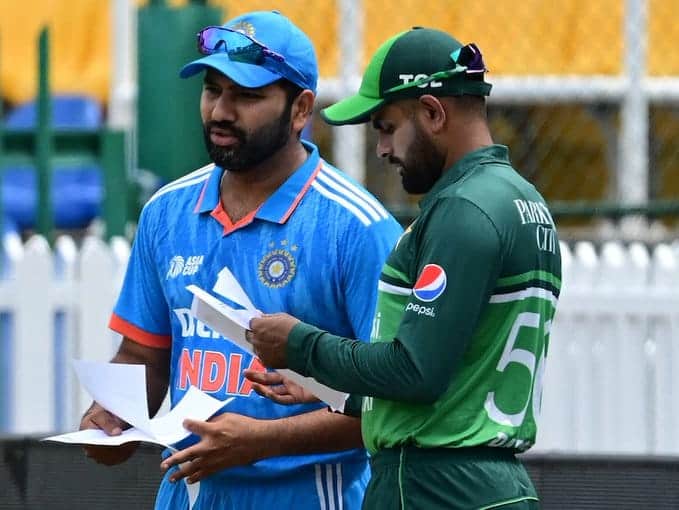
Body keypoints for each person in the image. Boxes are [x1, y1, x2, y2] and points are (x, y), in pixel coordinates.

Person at [79, 10, 402, 510]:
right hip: (189, 496)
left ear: (301, 110)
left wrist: (265, 440)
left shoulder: (357, 228)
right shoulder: (167, 212)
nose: (220, 112)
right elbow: (144, 356)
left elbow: (392, 402)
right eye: (212, 90)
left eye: (247, 96)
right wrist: (112, 417)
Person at [248, 27, 562, 510]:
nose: (382, 149)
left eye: (387, 126)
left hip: (431, 488)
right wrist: (330, 390)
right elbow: (460, 379)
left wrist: (300, 346)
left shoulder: (463, 209)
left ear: (433, 112)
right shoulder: (524, 200)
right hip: (494, 486)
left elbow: (415, 370)